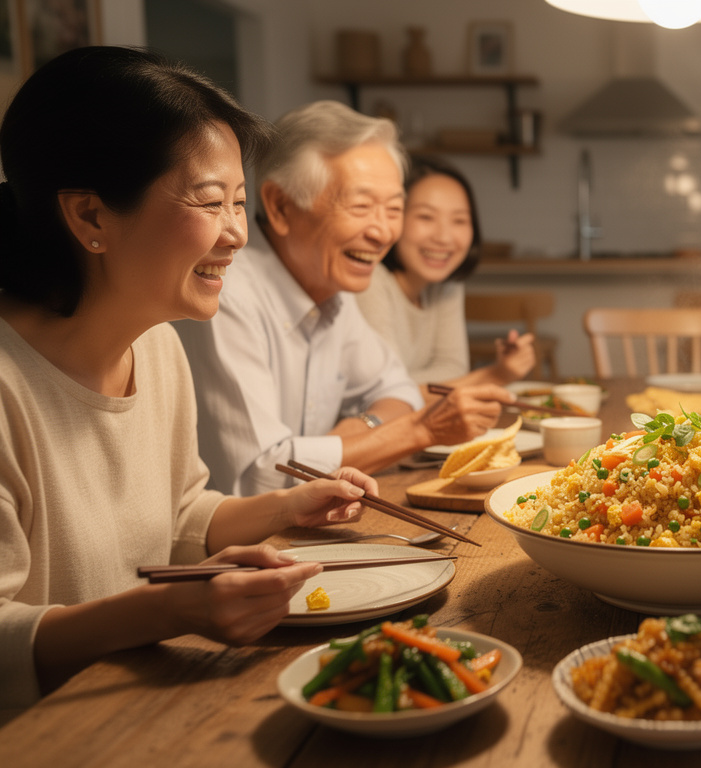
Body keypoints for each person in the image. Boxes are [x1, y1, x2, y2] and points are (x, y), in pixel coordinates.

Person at [0, 47, 378, 709]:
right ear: (90, 216)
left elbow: (178, 516)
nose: (237, 235)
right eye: (211, 202)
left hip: (144, 704)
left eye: (238, 202)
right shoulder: (10, 386)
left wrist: (288, 508)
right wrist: (167, 610)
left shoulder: (157, 348)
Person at [173, 101, 514, 497]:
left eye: (394, 208)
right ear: (281, 206)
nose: (383, 232)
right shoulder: (225, 293)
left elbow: (399, 390)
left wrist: (360, 429)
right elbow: (260, 476)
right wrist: (419, 430)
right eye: (361, 206)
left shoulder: (331, 284)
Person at [355, 158, 536, 390]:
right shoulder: (369, 281)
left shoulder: (445, 284)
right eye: (426, 217)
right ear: (394, 218)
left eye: (459, 220)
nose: (443, 237)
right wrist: (495, 375)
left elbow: (453, 368)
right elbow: (389, 391)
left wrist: (489, 375)